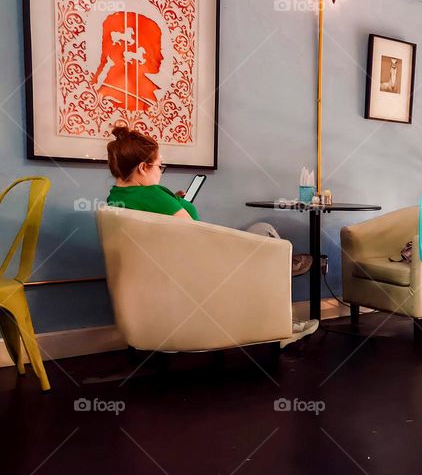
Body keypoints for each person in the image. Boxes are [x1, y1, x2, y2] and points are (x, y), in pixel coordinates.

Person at [104, 125, 317, 347]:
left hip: (168, 268)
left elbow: (162, 225)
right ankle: (283, 280)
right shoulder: (153, 194)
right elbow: (195, 234)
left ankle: (282, 276)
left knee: (262, 236)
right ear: (142, 168)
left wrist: (173, 201)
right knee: (263, 231)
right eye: (160, 166)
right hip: (201, 268)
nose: (161, 172)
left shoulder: (116, 196)